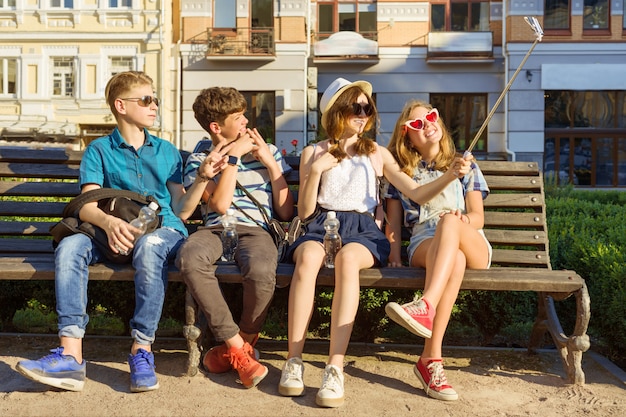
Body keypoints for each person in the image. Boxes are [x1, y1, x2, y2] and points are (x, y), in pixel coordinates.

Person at [15, 71, 223, 392]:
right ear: (121, 105)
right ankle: (71, 355)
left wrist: (204, 179)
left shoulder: (166, 151)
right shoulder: (99, 150)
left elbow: (181, 210)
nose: (155, 106)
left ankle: (142, 350)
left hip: (163, 230)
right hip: (110, 232)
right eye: (147, 99)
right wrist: (110, 224)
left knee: (150, 246)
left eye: (155, 99)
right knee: (70, 247)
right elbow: (86, 205)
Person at [277, 78, 465, 408]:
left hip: (362, 230)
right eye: (356, 107)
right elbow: (305, 212)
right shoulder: (314, 152)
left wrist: (450, 175)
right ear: (336, 111)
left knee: (349, 261)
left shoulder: (376, 153)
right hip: (321, 224)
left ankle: (335, 367)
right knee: (306, 260)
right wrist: (316, 171)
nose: (363, 114)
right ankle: (294, 361)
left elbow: (416, 192)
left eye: (368, 108)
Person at [175, 86, 294, 389]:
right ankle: (238, 347)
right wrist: (233, 160)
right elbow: (220, 205)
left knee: (261, 270)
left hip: (256, 231)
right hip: (215, 229)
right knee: (190, 257)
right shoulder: (200, 160)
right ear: (216, 127)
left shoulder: (267, 151)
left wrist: (271, 163)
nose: (245, 123)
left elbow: (285, 211)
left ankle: (240, 346)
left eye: (244, 116)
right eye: (238, 118)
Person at [384, 99, 492, 401]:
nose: (428, 124)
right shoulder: (404, 172)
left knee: (450, 224)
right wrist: (393, 256)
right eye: (417, 123)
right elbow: (393, 222)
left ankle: (425, 305)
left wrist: (461, 220)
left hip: (470, 240)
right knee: (453, 258)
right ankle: (431, 361)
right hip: (425, 243)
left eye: (430, 117)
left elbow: (478, 217)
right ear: (408, 136)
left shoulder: (465, 164)